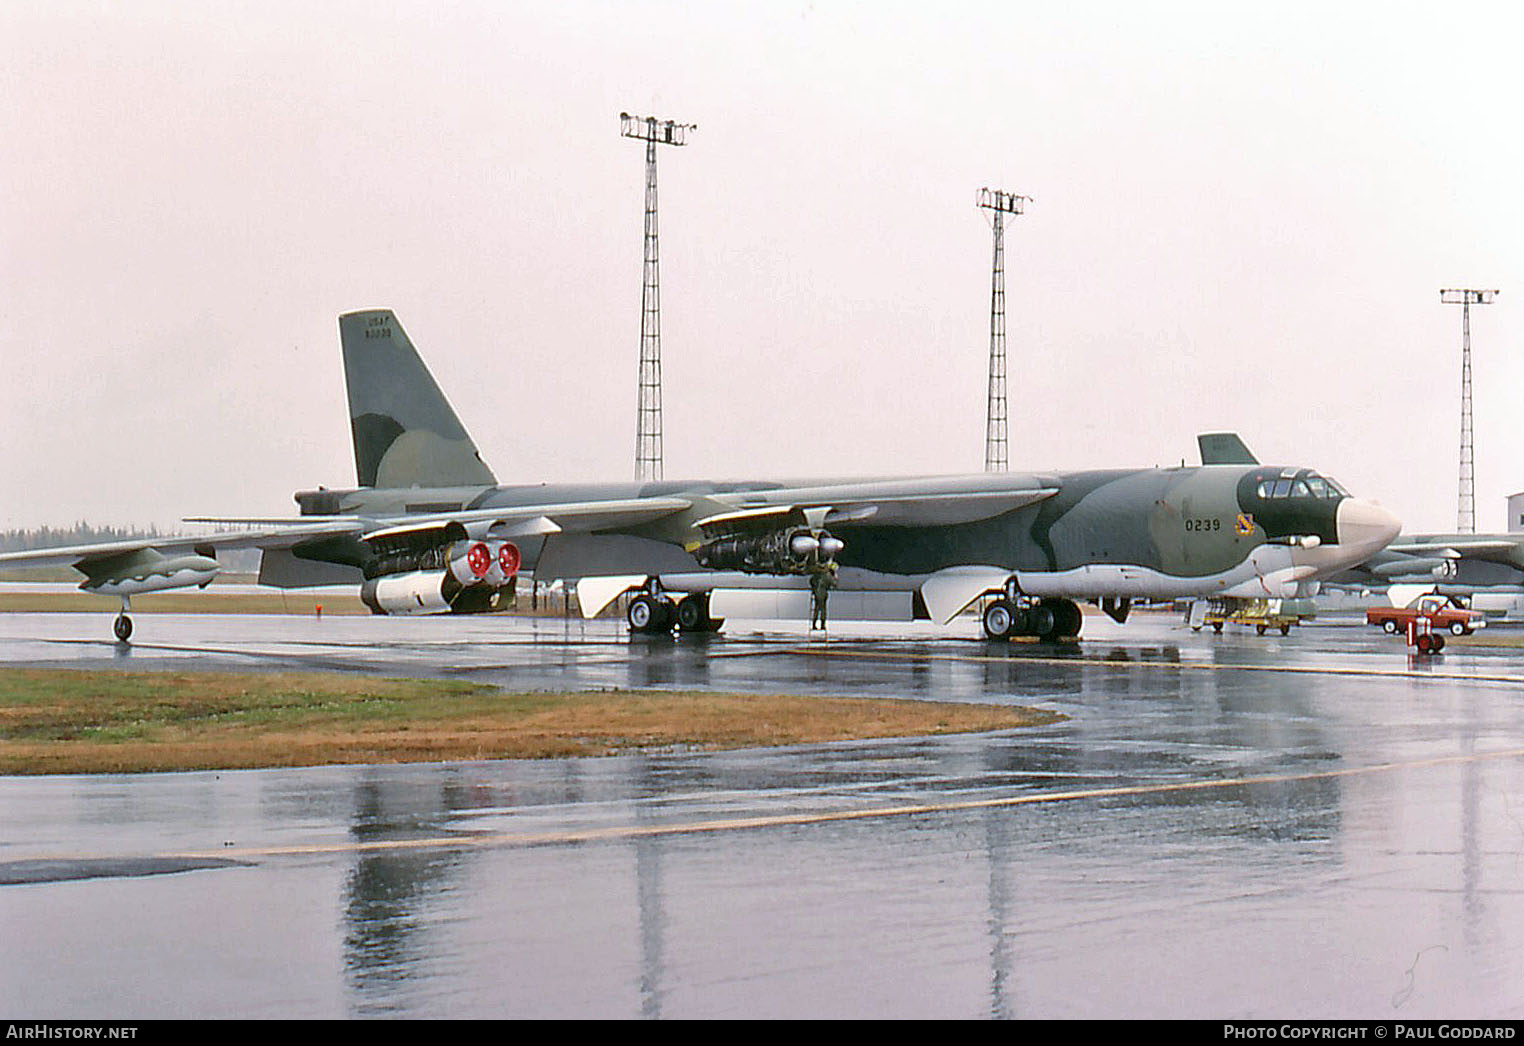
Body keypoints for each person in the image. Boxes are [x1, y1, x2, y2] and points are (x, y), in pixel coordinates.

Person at [809, 565, 836, 630]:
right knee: (823, 609)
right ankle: (822, 625)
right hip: (823, 593)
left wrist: (814, 588)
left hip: (816, 593)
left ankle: (814, 624)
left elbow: (811, 581)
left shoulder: (816, 575)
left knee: (816, 609)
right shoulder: (827, 575)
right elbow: (834, 584)